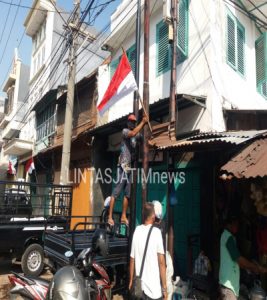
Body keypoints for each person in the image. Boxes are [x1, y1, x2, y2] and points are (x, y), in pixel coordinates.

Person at [108, 114, 148, 226]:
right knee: (116, 192)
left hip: (130, 167)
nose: (132, 123)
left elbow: (143, 138)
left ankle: (123, 216)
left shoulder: (137, 135)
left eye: (134, 122)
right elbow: (133, 133)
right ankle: (110, 216)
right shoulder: (125, 131)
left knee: (127, 193)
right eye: (130, 121)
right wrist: (143, 121)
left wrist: (149, 134)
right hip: (123, 165)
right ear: (128, 122)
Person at [219, 216, 267, 299]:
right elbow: (239, 259)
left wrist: (252, 268)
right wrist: (256, 267)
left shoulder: (228, 237)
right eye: (235, 224)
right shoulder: (228, 237)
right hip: (228, 285)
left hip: (228, 284)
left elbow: (239, 263)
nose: (237, 227)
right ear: (229, 225)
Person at [129, 202, 167, 300]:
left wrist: (130, 281)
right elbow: (162, 263)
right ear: (153, 216)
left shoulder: (136, 230)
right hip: (153, 291)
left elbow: (132, 259)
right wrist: (164, 288)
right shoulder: (157, 233)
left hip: (139, 289)